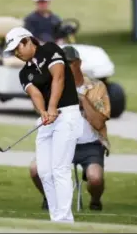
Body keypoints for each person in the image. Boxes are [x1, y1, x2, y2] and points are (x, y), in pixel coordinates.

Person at [4, 27, 83, 223]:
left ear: (28, 40)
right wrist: (44, 112)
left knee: (60, 169)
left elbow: (59, 77)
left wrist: (53, 107)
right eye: (13, 50)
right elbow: (36, 94)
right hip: (47, 119)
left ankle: (64, 219)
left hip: (67, 115)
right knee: (45, 172)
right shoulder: (24, 73)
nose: (17, 53)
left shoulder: (50, 49)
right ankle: (56, 218)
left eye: (18, 47)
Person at [29, 46, 111, 211]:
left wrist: (82, 100)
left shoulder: (97, 87)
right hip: (58, 142)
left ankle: (95, 200)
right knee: (35, 169)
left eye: (69, 64)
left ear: (79, 63)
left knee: (95, 179)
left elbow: (99, 123)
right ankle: (49, 196)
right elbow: (42, 116)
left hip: (90, 145)